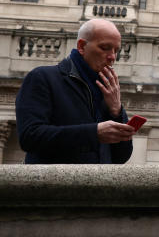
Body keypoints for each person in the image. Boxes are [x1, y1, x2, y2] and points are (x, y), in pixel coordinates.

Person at [15, 18, 135, 164]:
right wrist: (94, 133)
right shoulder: (43, 78)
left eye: (116, 50)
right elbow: (30, 137)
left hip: (98, 185)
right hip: (55, 185)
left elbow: (120, 157)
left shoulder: (107, 92)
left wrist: (116, 112)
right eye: (105, 48)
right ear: (82, 46)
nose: (112, 57)